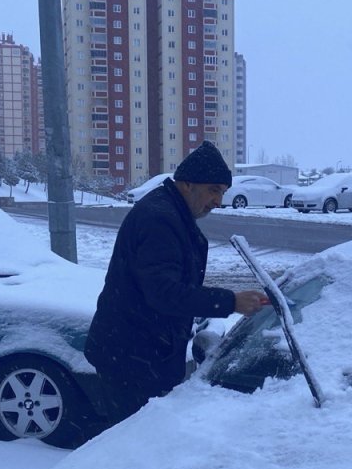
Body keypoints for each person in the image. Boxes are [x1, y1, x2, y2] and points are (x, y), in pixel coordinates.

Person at [84, 141, 267, 426]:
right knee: (135, 441)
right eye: (213, 190)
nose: (218, 201)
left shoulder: (170, 211)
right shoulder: (160, 220)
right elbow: (164, 293)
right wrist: (231, 302)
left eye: (222, 192)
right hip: (132, 360)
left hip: (137, 354)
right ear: (187, 184)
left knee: (138, 438)